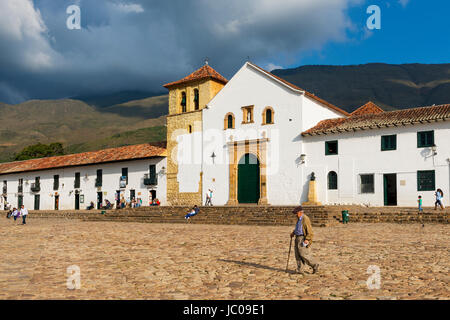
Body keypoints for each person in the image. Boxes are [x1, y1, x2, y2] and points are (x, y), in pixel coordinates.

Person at [290, 206, 319, 275]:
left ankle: (314, 265)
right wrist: (293, 233)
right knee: (297, 254)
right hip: (297, 237)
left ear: (300, 212)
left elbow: (309, 230)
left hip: (302, 238)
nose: (295, 215)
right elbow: (299, 228)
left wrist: (307, 239)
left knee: (303, 254)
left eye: (296, 213)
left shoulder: (305, 219)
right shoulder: (299, 218)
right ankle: (300, 269)